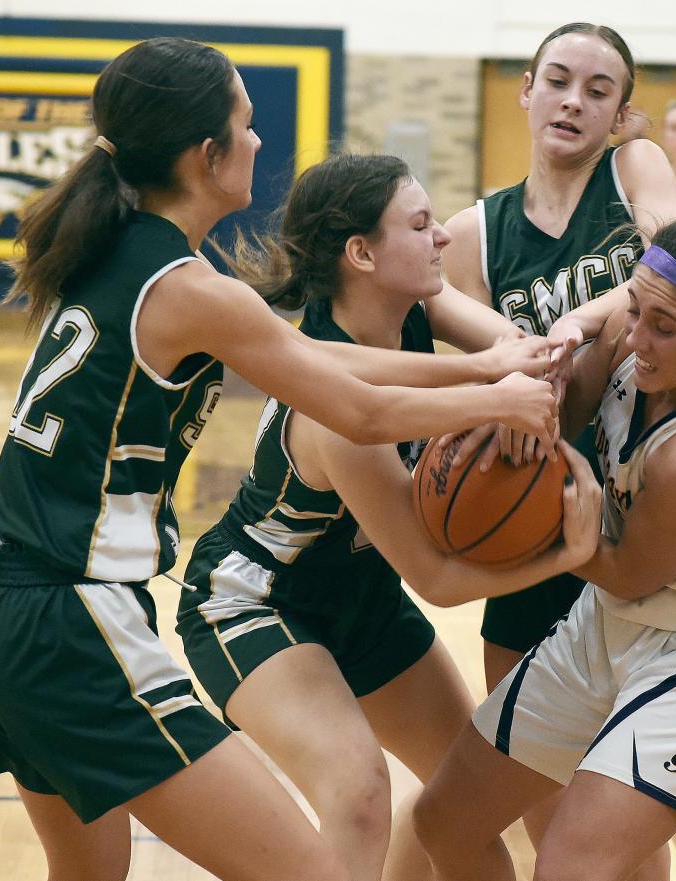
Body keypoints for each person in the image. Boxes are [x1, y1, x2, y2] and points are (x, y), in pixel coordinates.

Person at [0, 39, 565, 881]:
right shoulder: (190, 288)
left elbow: (324, 361)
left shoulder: (123, 249)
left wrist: (482, 367)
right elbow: (355, 406)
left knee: (87, 872)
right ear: (207, 155)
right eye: (246, 124)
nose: (260, 141)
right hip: (73, 619)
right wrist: (498, 397)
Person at [174, 152, 603, 881]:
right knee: (360, 793)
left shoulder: (416, 307)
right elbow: (435, 577)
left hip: (363, 599)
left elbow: (511, 346)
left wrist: (544, 360)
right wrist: (571, 549)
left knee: (459, 803)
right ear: (362, 254)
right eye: (421, 223)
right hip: (256, 602)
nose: (442, 237)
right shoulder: (331, 398)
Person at [414, 214, 676, 881]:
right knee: (443, 820)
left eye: (663, 327)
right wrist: (528, 406)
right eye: (635, 309)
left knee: (570, 867)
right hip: (607, 626)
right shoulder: (629, 329)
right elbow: (577, 406)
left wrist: (550, 520)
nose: (634, 336)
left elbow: (626, 571)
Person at [441, 21, 676, 848]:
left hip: (643, 505)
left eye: (598, 89)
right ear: (525, 88)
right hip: (532, 512)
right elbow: (484, 380)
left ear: (621, 115)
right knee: (546, 813)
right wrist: (514, 386)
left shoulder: (634, 171)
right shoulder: (473, 233)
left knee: (611, 831)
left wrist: (578, 324)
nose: (574, 100)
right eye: (558, 79)